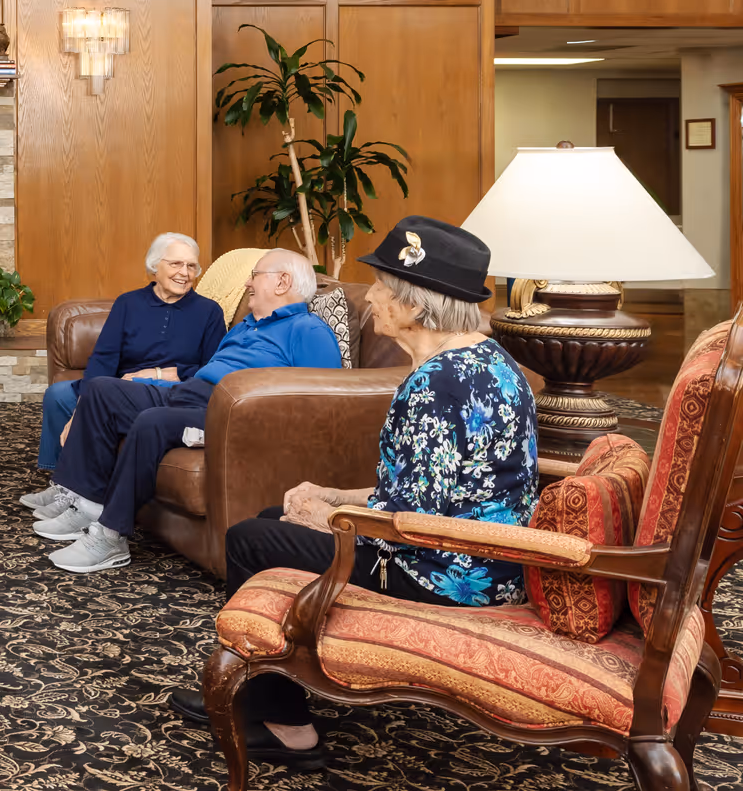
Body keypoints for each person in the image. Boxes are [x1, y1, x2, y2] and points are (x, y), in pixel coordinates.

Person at [170, 216, 537, 772]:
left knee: (250, 538)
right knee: (273, 516)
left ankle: (286, 724)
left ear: (416, 305)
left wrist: (326, 516)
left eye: (385, 286)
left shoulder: (435, 383)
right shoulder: (489, 361)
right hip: (480, 557)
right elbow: (421, 486)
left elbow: (410, 520)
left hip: (442, 572)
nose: (374, 297)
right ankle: (282, 676)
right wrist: (332, 492)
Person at [33, 248, 340, 573]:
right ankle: (88, 503)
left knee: (152, 421)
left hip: (226, 413)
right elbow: (203, 373)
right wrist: (152, 383)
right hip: (187, 393)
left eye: (255, 275)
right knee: (101, 390)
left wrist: (252, 420)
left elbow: (322, 402)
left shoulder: (308, 330)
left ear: (282, 282)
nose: (247, 283)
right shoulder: (244, 327)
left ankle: (110, 537)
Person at [21, 232, 224, 480]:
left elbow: (213, 367)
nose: (185, 272)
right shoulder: (128, 303)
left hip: (174, 391)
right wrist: (81, 406)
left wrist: (163, 373)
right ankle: (58, 477)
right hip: (122, 387)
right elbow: (104, 358)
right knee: (59, 395)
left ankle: (84, 482)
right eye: (176, 264)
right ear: (155, 266)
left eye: (191, 266)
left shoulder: (209, 311)